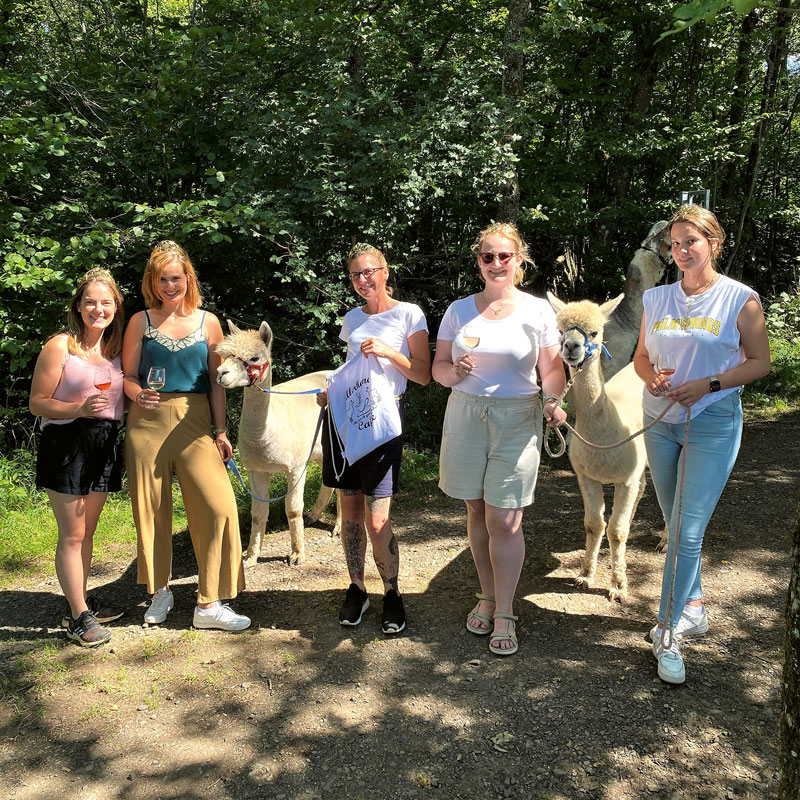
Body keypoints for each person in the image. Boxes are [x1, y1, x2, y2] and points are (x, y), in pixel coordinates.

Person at [633, 204, 770, 684]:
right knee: (675, 523)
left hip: (711, 421)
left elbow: (758, 362)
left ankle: (667, 631)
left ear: (715, 242)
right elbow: (642, 359)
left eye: (691, 241)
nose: (681, 251)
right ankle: (693, 605)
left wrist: (709, 385)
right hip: (661, 420)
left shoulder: (740, 299)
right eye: (674, 244)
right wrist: (653, 381)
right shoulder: (658, 300)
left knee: (687, 533)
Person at [432, 222, 567, 657]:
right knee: (476, 508)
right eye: (487, 256)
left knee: (506, 518)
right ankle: (486, 596)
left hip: (517, 417)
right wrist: (453, 373)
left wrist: (552, 401)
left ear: (519, 261)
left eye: (503, 256)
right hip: (465, 413)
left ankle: (506, 610)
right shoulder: (457, 310)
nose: (495, 263)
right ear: (478, 262)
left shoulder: (537, 311)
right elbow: (437, 367)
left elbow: (551, 369)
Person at [122, 240, 249, 631]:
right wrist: (137, 393)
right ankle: (160, 591)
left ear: (188, 278)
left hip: (195, 422)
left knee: (218, 506)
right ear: (152, 282)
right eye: (162, 279)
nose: (170, 285)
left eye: (176, 278)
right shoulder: (139, 321)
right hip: (147, 422)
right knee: (151, 511)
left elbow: (216, 382)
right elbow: (125, 377)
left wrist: (222, 429)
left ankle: (208, 603)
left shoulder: (208, 321)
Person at [317, 243, 430, 634]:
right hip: (347, 417)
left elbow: (423, 374)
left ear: (385, 271)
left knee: (377, 519)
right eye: (355, 275)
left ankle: (392, 593)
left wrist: (387, 351)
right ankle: (357, 588)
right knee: (348, 510)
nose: (363, 280)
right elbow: (351, 370)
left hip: (383, 420)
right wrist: (331, 391)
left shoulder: (409, 313)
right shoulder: (351, 318)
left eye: (370, 271)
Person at [29, 269, 126, 646]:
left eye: (105, 302)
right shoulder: (60, 346)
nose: (97, 309)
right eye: (90, 302)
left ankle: (79, 603)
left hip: (105, 442)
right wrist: (78, 408)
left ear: (116, 307)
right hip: (66, 442)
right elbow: (37, 401)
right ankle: (78, 618)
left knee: (87, 532)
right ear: (78, 306)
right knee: (72, 534)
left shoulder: (117, 350)